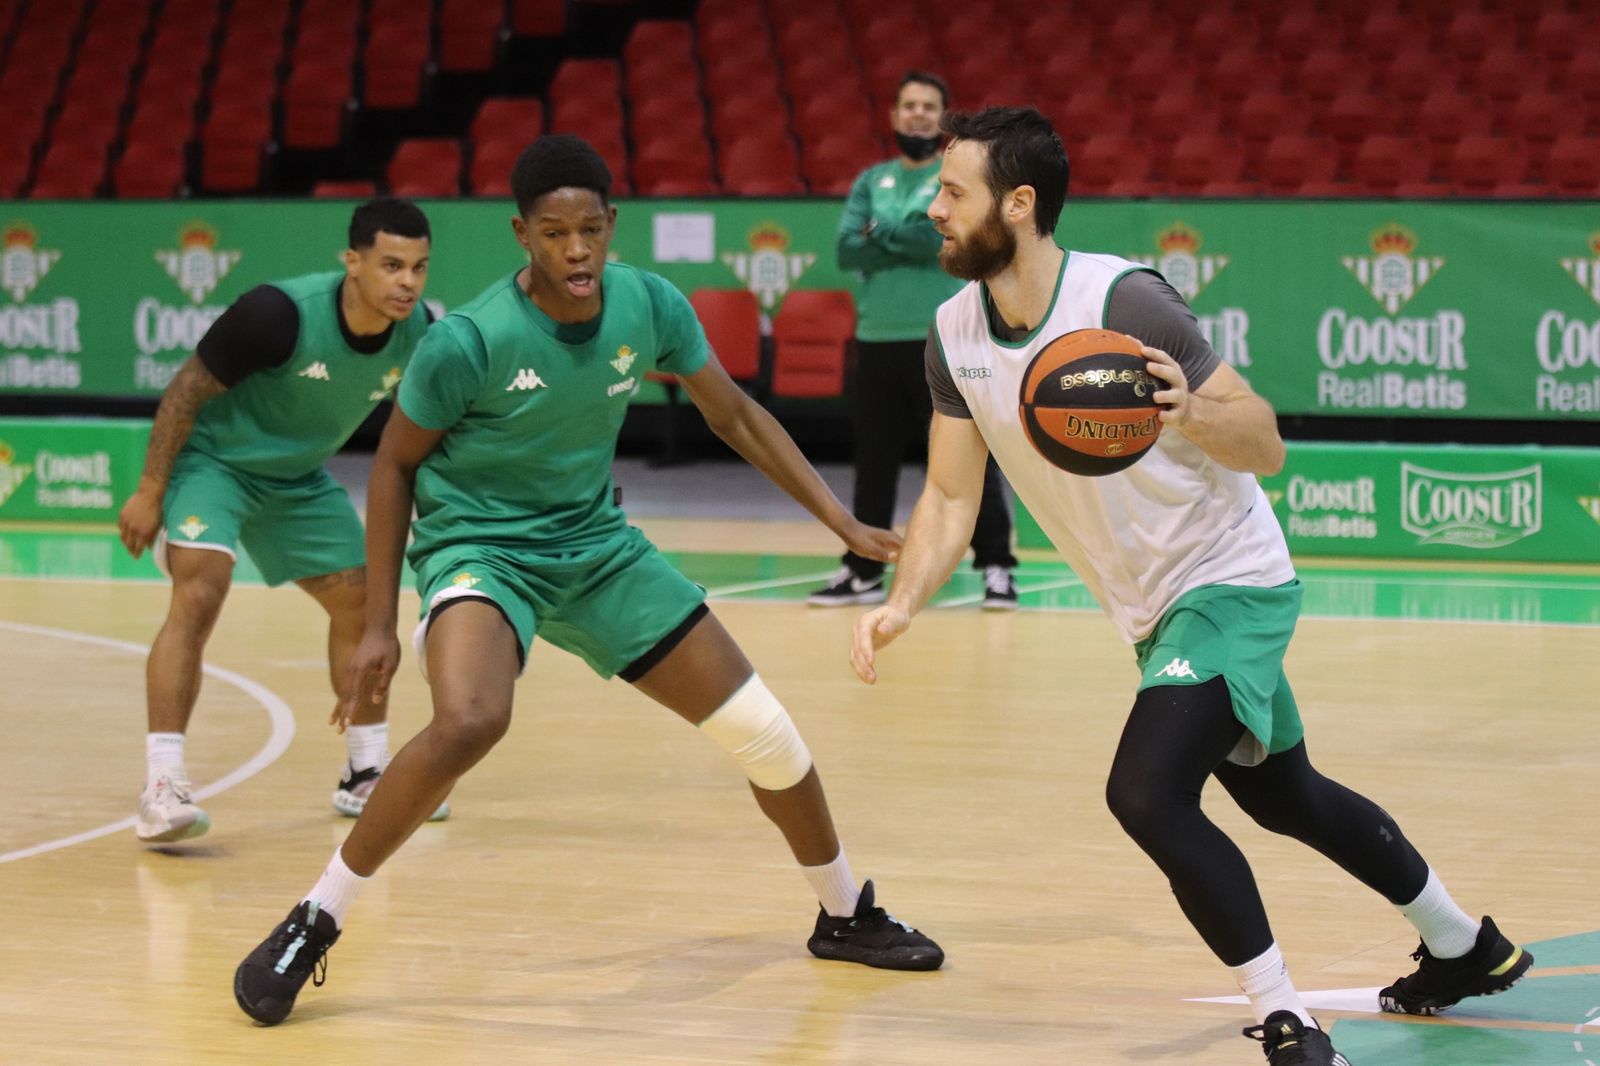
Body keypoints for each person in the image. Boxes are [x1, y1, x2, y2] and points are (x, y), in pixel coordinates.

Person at [849, 107, 1532, 1066]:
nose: (934, 205)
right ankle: (1467, 945)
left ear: (1020, 202)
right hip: (1152, 607)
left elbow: (1266, 440)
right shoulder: (953, 331)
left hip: (1231, 580)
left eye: (952, 190)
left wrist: (1190, 413)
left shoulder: (1124, 304)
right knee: (1285, 797)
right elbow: (953, 494)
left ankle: (1288, 1020)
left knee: (1146, 793)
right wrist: (903, 602)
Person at [232, 135, 943, 1027]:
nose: (577, 251)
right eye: (555, 233)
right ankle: (314, 918)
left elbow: (736, 413)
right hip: (481, 552)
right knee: (470, 720)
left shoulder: (647, 304)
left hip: (597, 549)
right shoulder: (470, 339)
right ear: (521, 234)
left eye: (592, 230)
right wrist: (379, 621)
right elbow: (391, 468)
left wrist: (838, 521)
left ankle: (843, 912)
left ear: (612, 227)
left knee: (765, 732)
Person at [118, 198, 447, 844]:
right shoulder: (277, 315)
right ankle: (163, 787)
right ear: (351, 263)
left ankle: (364, 775)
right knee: (200, 591)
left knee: (365, 605)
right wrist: (151, 487)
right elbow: (185, 390)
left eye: (418, 267)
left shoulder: (422, 333)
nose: (406, 281)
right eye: (390, 265)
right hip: (214, 465)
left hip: (296, 479)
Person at [809, 70, 1018, 611]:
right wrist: (906, 236)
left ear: (944, 116)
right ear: (894, 116)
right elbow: (846, 250)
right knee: (872, 460)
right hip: (877, 336)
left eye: (928, 106)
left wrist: (882, 234)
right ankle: (862, 570)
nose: (917, 114)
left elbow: (938, 237)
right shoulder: (869, 180)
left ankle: (997, 567)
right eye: (909, 105)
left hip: (945, 337)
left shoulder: (957, 178)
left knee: (971, 455)